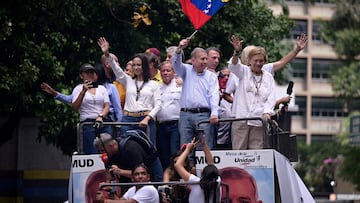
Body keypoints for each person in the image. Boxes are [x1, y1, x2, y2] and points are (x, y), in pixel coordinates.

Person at [98, 37, 161, 146]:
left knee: (149, 149)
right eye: (134, 65)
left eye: (139, 65)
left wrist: (147, 118)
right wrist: (107, 54)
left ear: (144, 66)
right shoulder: (128, 80)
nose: (136, 68)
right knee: (125, 147)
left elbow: (158, 104)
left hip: (145, 119)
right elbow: (116, 70)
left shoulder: (153, 84)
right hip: (128, 119)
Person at [172, 37, 219, 150]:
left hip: (204, 115)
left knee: (205, 147)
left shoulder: (211, 76)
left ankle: (205, 168)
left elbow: (214, 95)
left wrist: (214, 113)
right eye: (202, 59)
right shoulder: (186, 71)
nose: (205, 62)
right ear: (193, 60)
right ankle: (187, 167)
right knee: (185, 147)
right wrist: (179, 49)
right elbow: (176, 64)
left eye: (206, 59)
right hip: (186, 115)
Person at [228, 45, 276, 150]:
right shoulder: (244, 72)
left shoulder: (268, 77)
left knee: (256, 152)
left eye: (261, 61)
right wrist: (236, 52)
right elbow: (233, 66)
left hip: (258, 120)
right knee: (238, 151)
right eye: (256, 60)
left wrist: (267, 111)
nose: (258, 63)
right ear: (249, 61)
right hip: (241, 118)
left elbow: (271, 97)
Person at [93, 132, 163, 194]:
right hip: (128, 173)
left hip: (149, 167)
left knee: (157, 190)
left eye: (102, 150)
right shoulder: (109, 154)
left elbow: (141, 175)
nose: (101, 153)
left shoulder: (131, 148)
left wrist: (120, 171)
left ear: (111, 146)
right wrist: (108, 184)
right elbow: (109, 170)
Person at [72, 63, 112, 154]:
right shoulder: (77, 89)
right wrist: (83, 92)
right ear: (81, 75)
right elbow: (75, 107)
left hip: (102, 121)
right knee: (91, 150)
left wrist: (101, 116)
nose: (90, 74)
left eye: (92, 72)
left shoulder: (101, 88)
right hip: (87, 122)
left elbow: (107, 106)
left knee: (108, 148)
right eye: (87, 73)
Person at [174, 137, 221, 203]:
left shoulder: (195, 182)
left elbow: (177, 165)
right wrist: (204, 145)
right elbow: (211, 163)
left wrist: (188, 150)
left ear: (203, 174)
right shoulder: (217, 182)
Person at [156, 61, 182, 169]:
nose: (165, 73)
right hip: (161, 125)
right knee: (163, 154)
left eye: (168, 70)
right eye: (163, 71)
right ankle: (166, 180)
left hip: (175, 124)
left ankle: (175, 178)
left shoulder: (180, 85)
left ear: (174, 72)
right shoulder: (157, 88)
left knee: (174, 152)